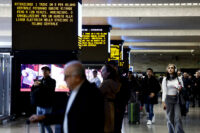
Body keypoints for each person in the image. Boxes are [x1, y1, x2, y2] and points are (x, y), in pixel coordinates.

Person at [29, 61, 104, 133]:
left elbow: (90, 123)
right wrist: (44, 117)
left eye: (66, 76)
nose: (64, 79)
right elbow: (67, 113)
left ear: (77, 76)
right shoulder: (76, 90)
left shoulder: (91, 94)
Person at [31, 66, 56, 133]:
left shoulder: (52, 81)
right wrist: (33, 85)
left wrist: (38, 85)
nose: (44, 72)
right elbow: (33, 90)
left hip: (47, 106)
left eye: (45, 71)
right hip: (39, 105)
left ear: (49, 72)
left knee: (46, 123)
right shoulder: (39, 81)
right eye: (43, 71)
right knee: (40, 124)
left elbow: (47, 90)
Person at [162, 64, 185, 133]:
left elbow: (182, 88)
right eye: (169, 68)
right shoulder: (165, 79)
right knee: (169, 118)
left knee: (178, 118)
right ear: (167, 70)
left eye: (172, 68)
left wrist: (180, 88)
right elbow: (164, 91)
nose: (170, 69)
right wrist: (163, 102)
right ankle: (171, 131)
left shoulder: (179, 78)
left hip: (177, 99)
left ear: (175, 69)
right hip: (168, 99)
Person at [100, 64, 121, 133]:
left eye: (103, 70)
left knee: (106, 126)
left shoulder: (106, 82)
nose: (101, 72)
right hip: (112, 105)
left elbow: (98, 94)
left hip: (105, 106)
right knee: (110, 125)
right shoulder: (114, 82)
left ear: (108, 73)